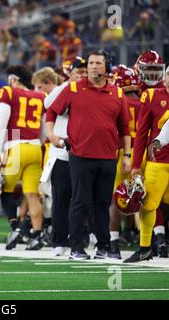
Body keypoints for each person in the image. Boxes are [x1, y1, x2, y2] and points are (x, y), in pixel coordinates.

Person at [47, 49, 131, 260]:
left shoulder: (118, 93)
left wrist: (128, 155)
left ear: (106, 67)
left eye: (98, 63)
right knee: (80, 200)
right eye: (91, 63)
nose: (93, 67)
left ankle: (102, 246)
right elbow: (51, 111)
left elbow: (125, 128)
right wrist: (52, 135)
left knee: (103, 202)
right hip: (81, 154)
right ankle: (76, 248)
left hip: (109, 156)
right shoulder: (73, 88)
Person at [0, 65, 46, 251]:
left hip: (15, 147)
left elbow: (1, 123)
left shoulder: (9, 92)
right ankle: (37, 235)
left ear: (14, 79)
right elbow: (44, 129)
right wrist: (36, 144)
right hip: (35, 149)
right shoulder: (41, 97)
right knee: (32, 194)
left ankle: (16, 228)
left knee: (5, 191)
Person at [44, 56, 88, 257]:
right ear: (69, 73)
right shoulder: (64, 89)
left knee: (83, 199)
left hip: (86, 153)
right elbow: (48, 103)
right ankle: (59, 241)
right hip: (62, 152)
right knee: (61, 199)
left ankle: (83, 239)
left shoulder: (91, 90)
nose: (83, 75)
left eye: (85, 71)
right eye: (79, 71)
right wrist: (69, 84)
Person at [124, 66, 169, 263]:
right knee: (149, 204)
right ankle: (145, 248)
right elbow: (141, 133)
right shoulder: (151, 96)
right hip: (158, 160)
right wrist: (135, 164)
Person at [108, 66, 143, 259]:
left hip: (124, 153)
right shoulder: (147, 100)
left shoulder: (118, 100)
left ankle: (113, 242)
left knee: (117, 198)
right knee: (147, 200)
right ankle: (151, 240)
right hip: (146, 154)